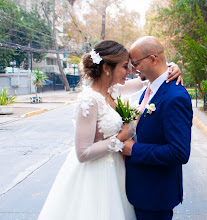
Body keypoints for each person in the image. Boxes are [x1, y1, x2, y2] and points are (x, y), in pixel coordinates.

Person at [38, 40, 182, 220]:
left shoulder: (113, 90)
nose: (129, 71)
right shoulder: (89, 100)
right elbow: (82, 153)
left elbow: (147, 79)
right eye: (124, 66)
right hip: (97, 174)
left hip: (119, 171)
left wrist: (170, 67)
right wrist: (120, 139)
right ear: (107, 68)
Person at [122, 36, 193, 220]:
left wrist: (134, 149)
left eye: (135, 63)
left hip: (155, 196)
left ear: (153, 59)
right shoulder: (150, 88)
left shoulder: (175, 96)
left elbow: (179, 153)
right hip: (141, 190)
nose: (133, 69)